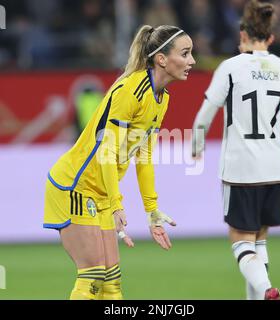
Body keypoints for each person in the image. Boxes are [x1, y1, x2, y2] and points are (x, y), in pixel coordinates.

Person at [44, 24, 195, 300]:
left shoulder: (161, 99)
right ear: (161, 59)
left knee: (111, 283)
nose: (192, 61)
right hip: (76, 184)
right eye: (185, 54)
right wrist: (116, 204)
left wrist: (152, 211)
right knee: (92, 276)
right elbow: (107, 152)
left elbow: (144, 156)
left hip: (99, 189)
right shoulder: (131, 90)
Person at [192, 0, 280, 300]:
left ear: (242, 35)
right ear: (271, 38)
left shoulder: (230, 67)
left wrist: (196, 146)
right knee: (259, 241)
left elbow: (206, 113)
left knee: (241, 241)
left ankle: (265, 292)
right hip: (276, 168)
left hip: (241, 168)